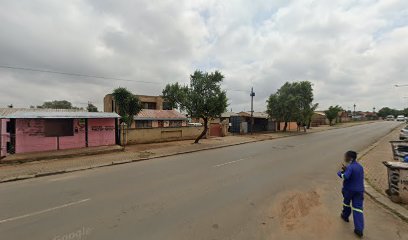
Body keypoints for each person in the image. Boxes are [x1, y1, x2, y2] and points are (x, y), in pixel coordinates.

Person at [337, 150, 365, 238]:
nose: (345, 158)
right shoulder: (360, 166)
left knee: (346, 203)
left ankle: (345, 216)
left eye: (346, 156)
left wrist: (340, 173)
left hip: (349, 190)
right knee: (358, 209)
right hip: (360, 190)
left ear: (350, 158)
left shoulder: (350, 167)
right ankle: (359, 229)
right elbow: (355, 175)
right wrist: (346, 169)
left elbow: (345, 176)